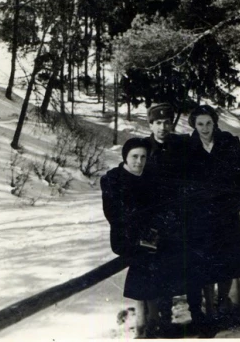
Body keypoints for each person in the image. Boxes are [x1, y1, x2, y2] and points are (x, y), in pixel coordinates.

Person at [186, 105, 240, 321]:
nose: (205, 128)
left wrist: (235, 206)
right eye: (200, 124)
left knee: (227, 260)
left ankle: (223, 300)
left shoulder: (229, 144)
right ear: (194, 126)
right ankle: (209, 307)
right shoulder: (188, 148)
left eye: (208, 123)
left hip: (226, 214)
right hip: (201, 216)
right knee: (205, 262)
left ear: (215, 123)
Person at [100, 138, 164, 337]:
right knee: (145, 259)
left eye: (143, 157)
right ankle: (148, 322)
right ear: (125, 157)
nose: (139, 161)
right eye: (134, 156)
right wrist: (140, 235)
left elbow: (158, 210)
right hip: (125, 236)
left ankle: (153, 320)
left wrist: (154, 231)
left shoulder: (150, 178)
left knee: (159, 257)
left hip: (149, 236)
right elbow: (114, 215)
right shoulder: (113, 179)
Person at [141, 103, 190, 333]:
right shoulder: (142, 148)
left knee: (171, 268)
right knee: (150, 268)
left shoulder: (180, 147)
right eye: (158, 123)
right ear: (150, 125)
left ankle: (167, 317)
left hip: (175, 220)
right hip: (151, 221)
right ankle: (152, 320)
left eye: (166, 122)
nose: (162, 127)